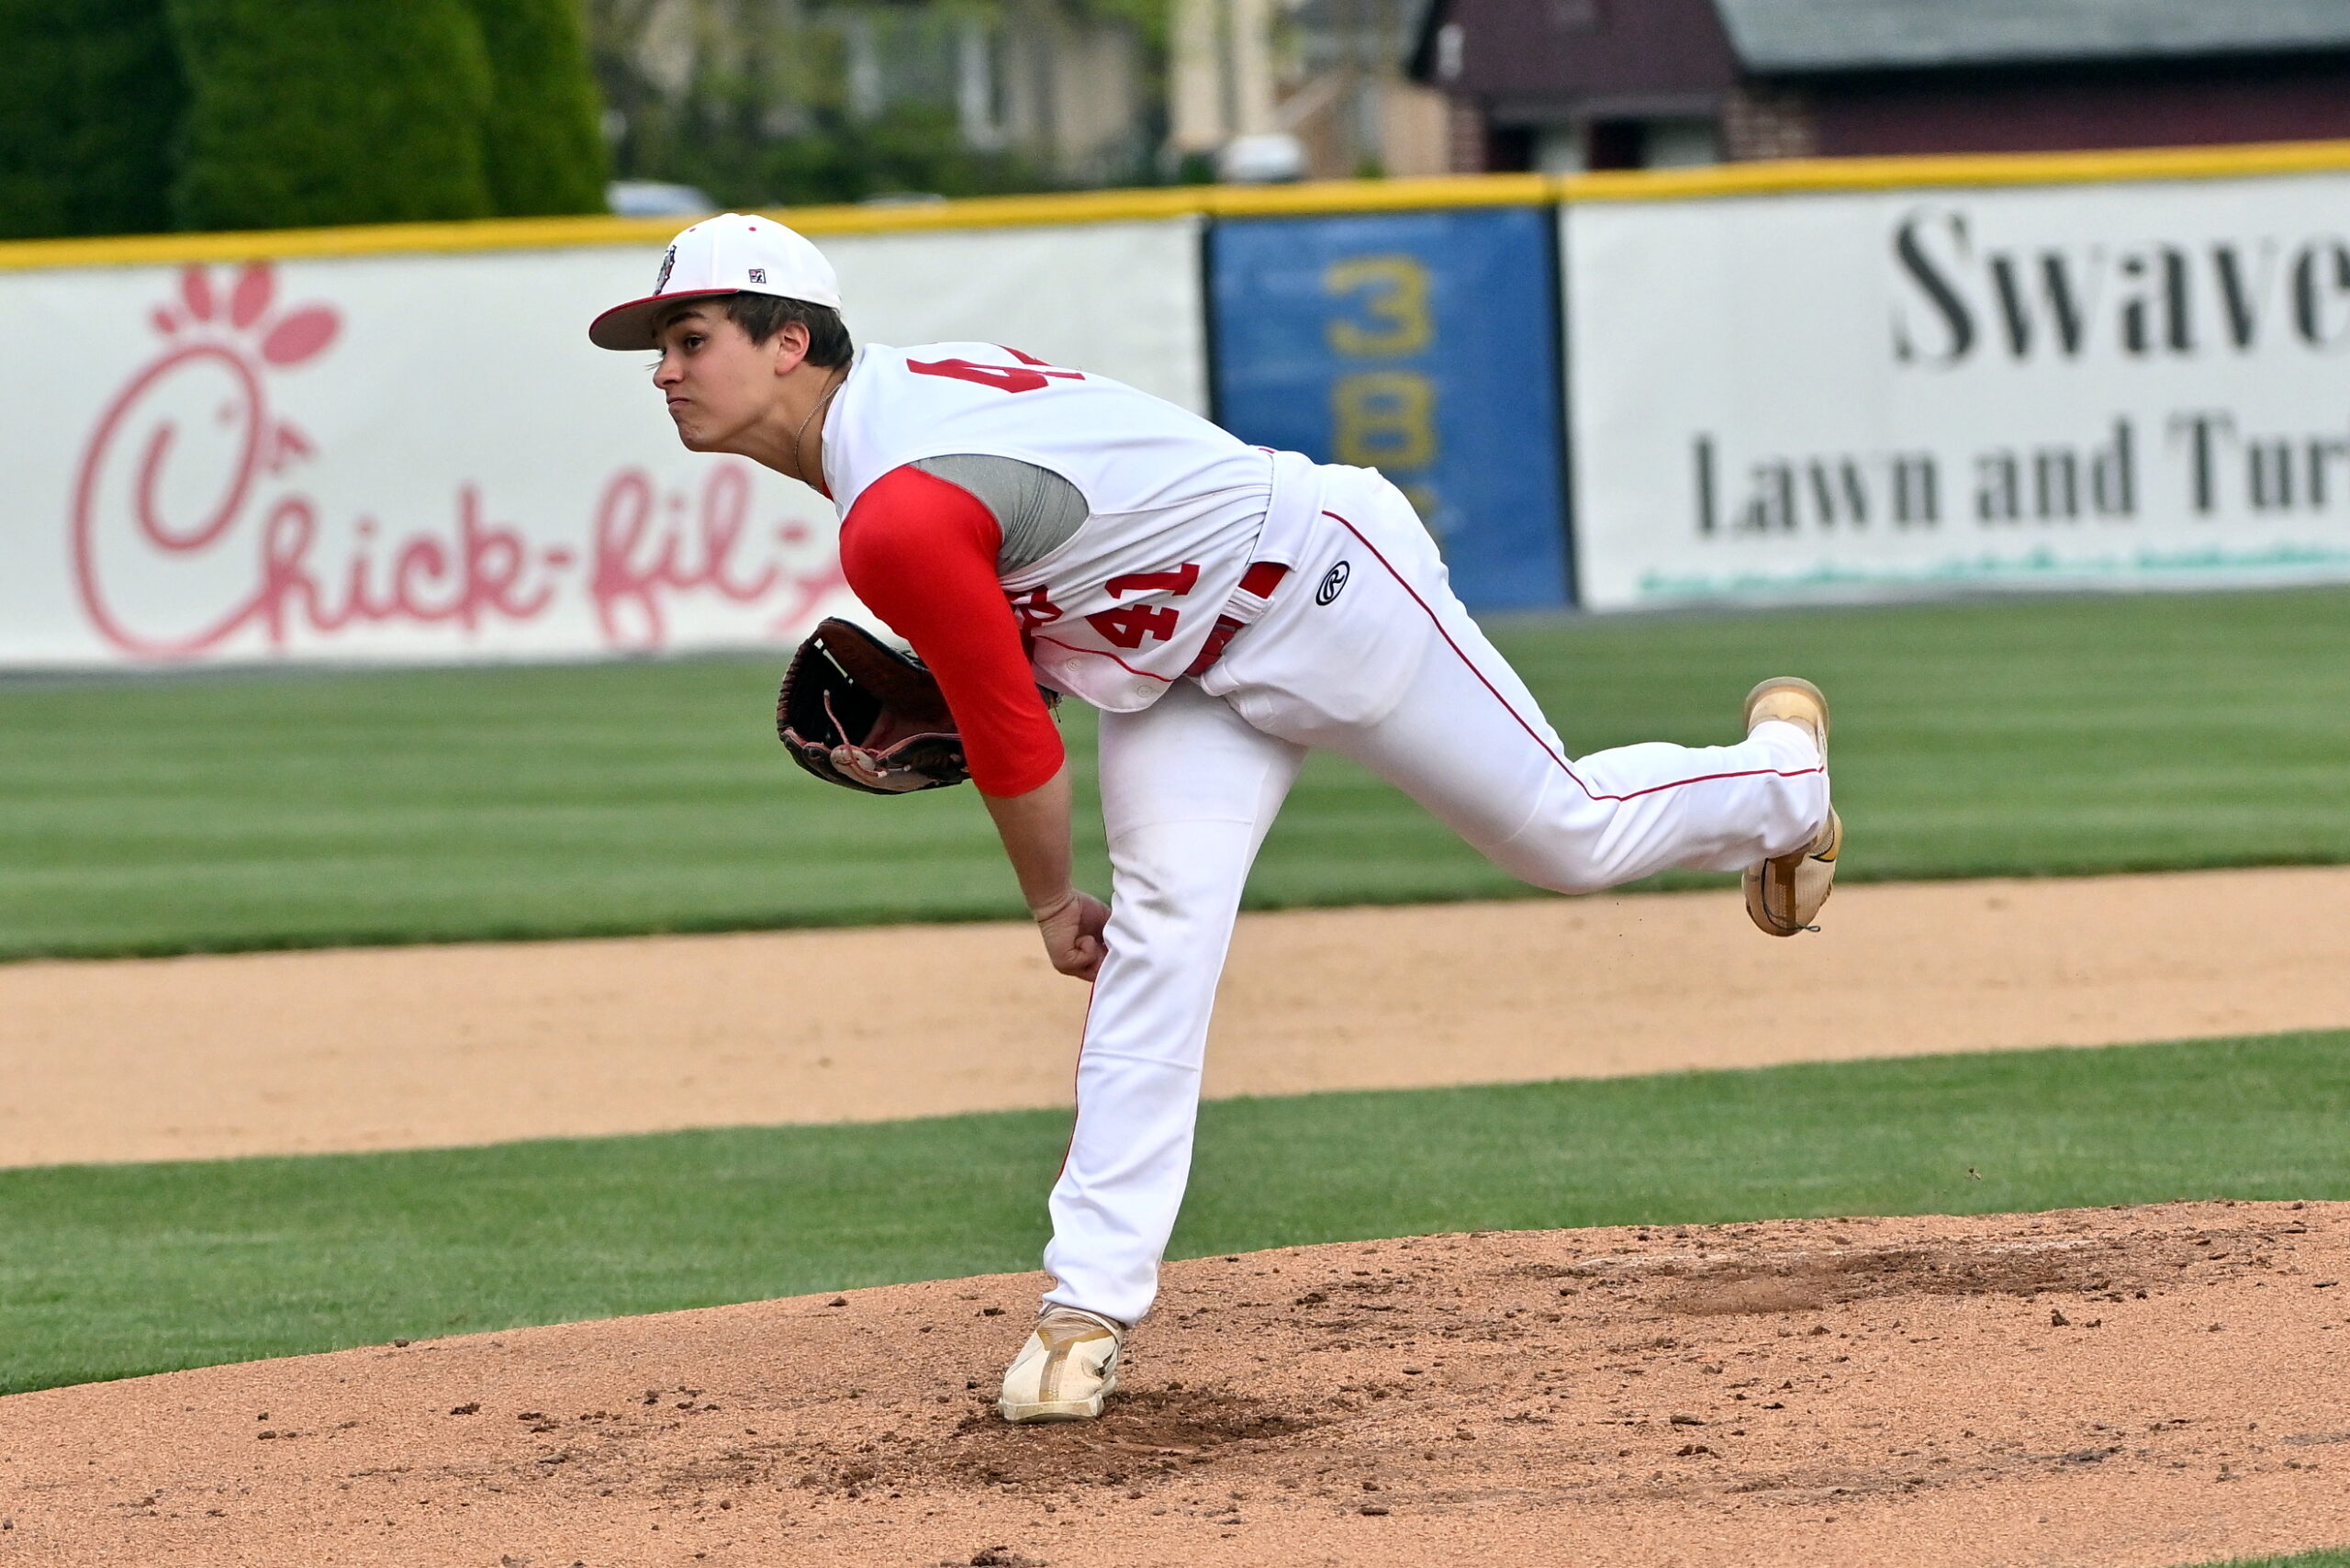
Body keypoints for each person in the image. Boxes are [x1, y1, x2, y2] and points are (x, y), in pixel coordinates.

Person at [589, 213, 1841, 1425]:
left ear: (790, 343)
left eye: (690, 338)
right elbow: (1064, 562)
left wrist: (1045, 900)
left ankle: (1785, 776)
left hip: (1321, 585)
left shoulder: (896, 508)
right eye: (661, 346)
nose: (665, 371)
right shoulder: (900, 415)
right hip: (1179, 677)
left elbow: (1020, 746)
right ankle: (1086, 1309)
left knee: (1563, 836)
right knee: (1161, 942)